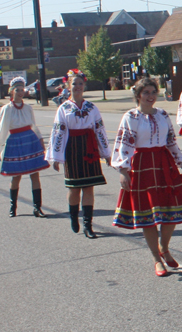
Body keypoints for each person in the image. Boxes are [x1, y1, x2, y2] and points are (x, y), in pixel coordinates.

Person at [112, 78, 182, 277]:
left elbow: (171, 142)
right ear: (138, 95)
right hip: (142, 166)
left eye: (153, 92)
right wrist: (124, 170)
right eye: (146, 92)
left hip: (164, 164)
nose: (150, 96)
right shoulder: (131, 117)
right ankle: (156, 259)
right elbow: (123, 145)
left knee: (171, 212)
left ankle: (164, 247)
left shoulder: (163, 115)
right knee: (148, 216)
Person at [45, 69, 111, 238]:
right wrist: (56, 156)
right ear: (68, 85)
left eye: (80, 84)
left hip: (89, 148)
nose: (77, 87)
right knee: (74, 188)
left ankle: (88, 225)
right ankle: (74, 216)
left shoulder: (91, 107)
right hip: (72, 148)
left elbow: (100, 130)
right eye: (74, 84)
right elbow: (58, 132)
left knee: (89, 187)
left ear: (84, 86)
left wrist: (106, 153)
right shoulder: (64, 108)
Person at [0, 77, 50, 218]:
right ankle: (13, 207)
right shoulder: (7, 109)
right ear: (12, 91)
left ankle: (37, 207)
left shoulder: (28, 108)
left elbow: (33, 125)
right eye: (17, 90)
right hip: (15, 143)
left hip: (30, 141)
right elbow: (2, 130)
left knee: (35, 174)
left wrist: (40, 139)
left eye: (22, 90)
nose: (20, 92)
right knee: (16, 176)